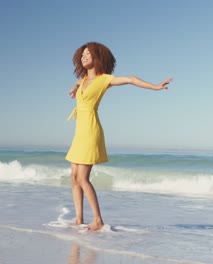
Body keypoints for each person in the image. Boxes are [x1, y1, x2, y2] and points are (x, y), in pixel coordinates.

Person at [66, 42, 173, 231]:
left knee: (83, 178)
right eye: (82, 54)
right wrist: (74, 89)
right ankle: (78, 219)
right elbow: (77, 82)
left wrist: (155, 87)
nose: (83, 57)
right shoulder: (83, 80)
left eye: (88, 54)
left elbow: (131, 79)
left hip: (90, 131)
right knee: (74, 177)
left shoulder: (104, 79)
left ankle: (98, 220)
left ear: (98, 57)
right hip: (78, 133)